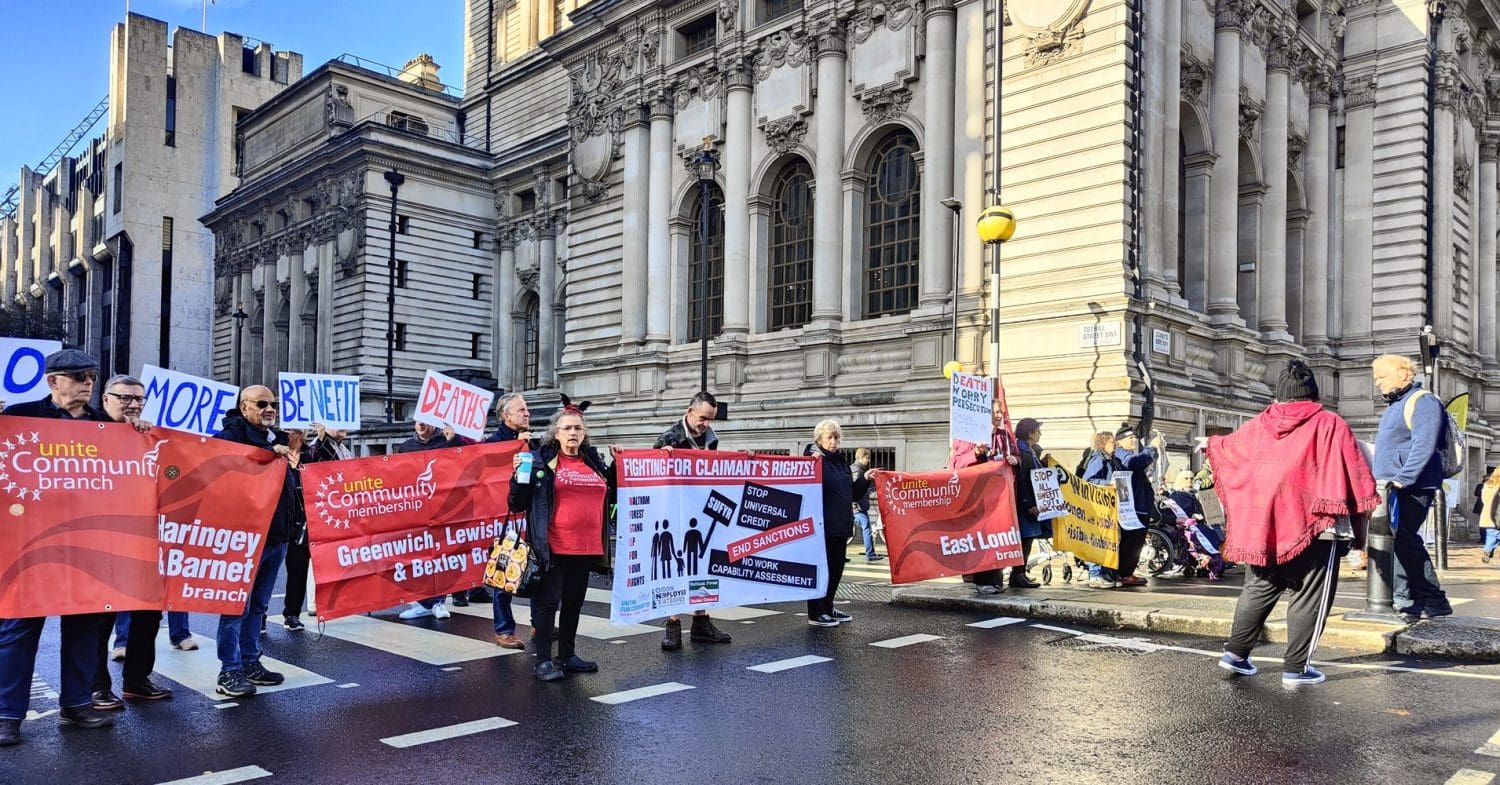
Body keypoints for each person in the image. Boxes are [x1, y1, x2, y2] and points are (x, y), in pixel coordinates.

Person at [1208, 360, 1377, 686]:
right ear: (1312, 394)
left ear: (1280, 395)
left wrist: (1211, 444)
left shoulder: (1258, 424)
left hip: (1265, 525)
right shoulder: (1330, 422)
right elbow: (1355, 470)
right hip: (1319, 524)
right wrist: (1361, 521)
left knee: (1258, 589)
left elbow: (1229, 450)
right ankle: (1296, 669)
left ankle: (1235, 655)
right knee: (1309, 595)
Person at [0, 350, 116, 744]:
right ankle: (7, 714)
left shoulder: (106, 425)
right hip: (30, 543)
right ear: (53, 382)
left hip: (86, 546)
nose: (88, 384)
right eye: (80, 376)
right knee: (18, 628)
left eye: (92, 377)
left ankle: (78, 704)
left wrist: (140, 435)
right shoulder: (18, 416)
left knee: (84, 627)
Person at [509, 406, 615, 681]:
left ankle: (566, 655)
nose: (573, 433)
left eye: (578, 428)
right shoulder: (541, 459)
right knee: (547, 604)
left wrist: (617, 465)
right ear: (555, 433)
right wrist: (518, 477)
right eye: (567, 428)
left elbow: (611, 493)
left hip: (586, 546)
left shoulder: (592, 460)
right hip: (553, 545)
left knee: (573, 603)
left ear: (584, 433)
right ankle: (543, 660)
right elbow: (517, 503)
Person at [89, 375, 173, 710]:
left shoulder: (150, 437)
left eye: (139, 399)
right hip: (100, 544)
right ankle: (96, 686)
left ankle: (137, 680)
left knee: (148, 616)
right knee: (98, 621)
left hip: (143, 543)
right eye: (125, 398)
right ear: (106, 399)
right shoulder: (86, 432)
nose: (134, 405)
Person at [212, 385, 299, 698]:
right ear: (244, 406)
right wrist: (266, 454)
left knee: (258, 608)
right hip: (245, 539)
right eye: (262, 404)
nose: (270, 409)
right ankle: (229, 670)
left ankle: (250, 662)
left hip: (277, 537)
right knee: (236, 608)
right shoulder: (230, 437)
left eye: (273, 404)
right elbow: (224, 468)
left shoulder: (277, 437)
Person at [1371, 354, 1454, 619]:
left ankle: (1433, 599)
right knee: (1398, 540)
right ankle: (1406, 598)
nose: (1377, 383)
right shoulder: (1397, 404)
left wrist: (1404, 478)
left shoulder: (1423, 401)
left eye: (1381, 377)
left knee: (1405, 539)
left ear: (1404, 374)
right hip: (1392, 487)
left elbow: (1424, 444)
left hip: (1411, 486)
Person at [652, 392, 733, 649]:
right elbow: (652, 473)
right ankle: (673, 625)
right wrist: (661, 456)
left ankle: (701, 623)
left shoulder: (711, 440)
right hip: (676, 512)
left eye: (710, 419)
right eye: (702, 418)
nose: (706, 424)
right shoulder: (670, 438)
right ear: (689, 411)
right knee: (678, 571)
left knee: (702, 567)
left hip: (700, 511)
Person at [282, 423, 354, 630]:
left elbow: (328, 466)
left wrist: (322, 439)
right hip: (285, 522)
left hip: (310, 523)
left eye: (299, 431)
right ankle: (259, 618)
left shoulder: (310, 452)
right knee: (270, 574)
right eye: (290, 431)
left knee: (299, 572)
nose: (295, 435)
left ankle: (292, 615)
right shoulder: (278, 455)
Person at [396, 421, 465, 621]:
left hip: (443, 510)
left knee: (440, 556)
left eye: (424, 421)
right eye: (417, 421)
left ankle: (438, 601)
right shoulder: (406, 447)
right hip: (415, 512)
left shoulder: (447, 442)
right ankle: (423, 601)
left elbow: (466, 462)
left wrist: (455, 441)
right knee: (419, 558)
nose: (420, 425)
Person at [488, 393, 536, 649]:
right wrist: (515, 448)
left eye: (527, 410)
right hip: (506, 518)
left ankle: (540, 623)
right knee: (504, 571)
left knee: (540, 570)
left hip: (533, 516)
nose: (527, 414)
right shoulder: (494, 443)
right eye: (521, 410)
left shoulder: (534, 441)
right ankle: (504, 630)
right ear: (506, 416)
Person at [805, 420, 855, 626]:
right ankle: (816, 612)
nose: (834, 442)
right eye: (830, 438)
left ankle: (828, 606)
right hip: (823, 526)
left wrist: (865, 480)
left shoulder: (841, 462)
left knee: (835, 571)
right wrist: (811, 459)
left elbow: (851, 493)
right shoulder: (814, 459)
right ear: (819, 440)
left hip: (841, 526)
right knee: (821, 571)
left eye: (837, 438)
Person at [1111, 424, 1160, 588]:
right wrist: (1151, 448)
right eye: (1130, 438)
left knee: (1137, 542)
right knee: (1131, 541)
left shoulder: (1128, 454)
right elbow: (1134, 464)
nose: (1134, 440)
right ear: (1119, 441)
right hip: (1132, 507)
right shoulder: (1122, 454)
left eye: (1134, 437)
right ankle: (1123, 572)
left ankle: (1127, 571)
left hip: (1141, 505)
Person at [1007, 418, 1047, 588]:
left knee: (1029, 538)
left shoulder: (1029, 451)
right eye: (1038, 430)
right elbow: (1023, 479)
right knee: (1025, 538)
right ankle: (1017, 574)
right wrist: (1028, 503)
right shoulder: (1023, 452)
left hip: (1029, 503)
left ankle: (1021, 573)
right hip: (1026, 505)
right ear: (1030, 433)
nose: (1040, 434)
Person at [851, 448, 883, 562]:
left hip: (858, 505)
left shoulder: (858, 469)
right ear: (860, 457)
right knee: (866, 528)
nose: (868, 460)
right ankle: (870, 554)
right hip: (858, 506)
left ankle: (840, 556)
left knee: (850, 531)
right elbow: (853, 489)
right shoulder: (857, 470)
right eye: (867, 458)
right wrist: (854, 504)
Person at [1479, 466, 1500, 564]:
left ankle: (1487, 551)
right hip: (1496, 515)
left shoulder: (1487, 485)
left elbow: (1483, 500)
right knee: (1494, 534)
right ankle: (1487, 551)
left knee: (1491, 534)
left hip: (1487, 514)